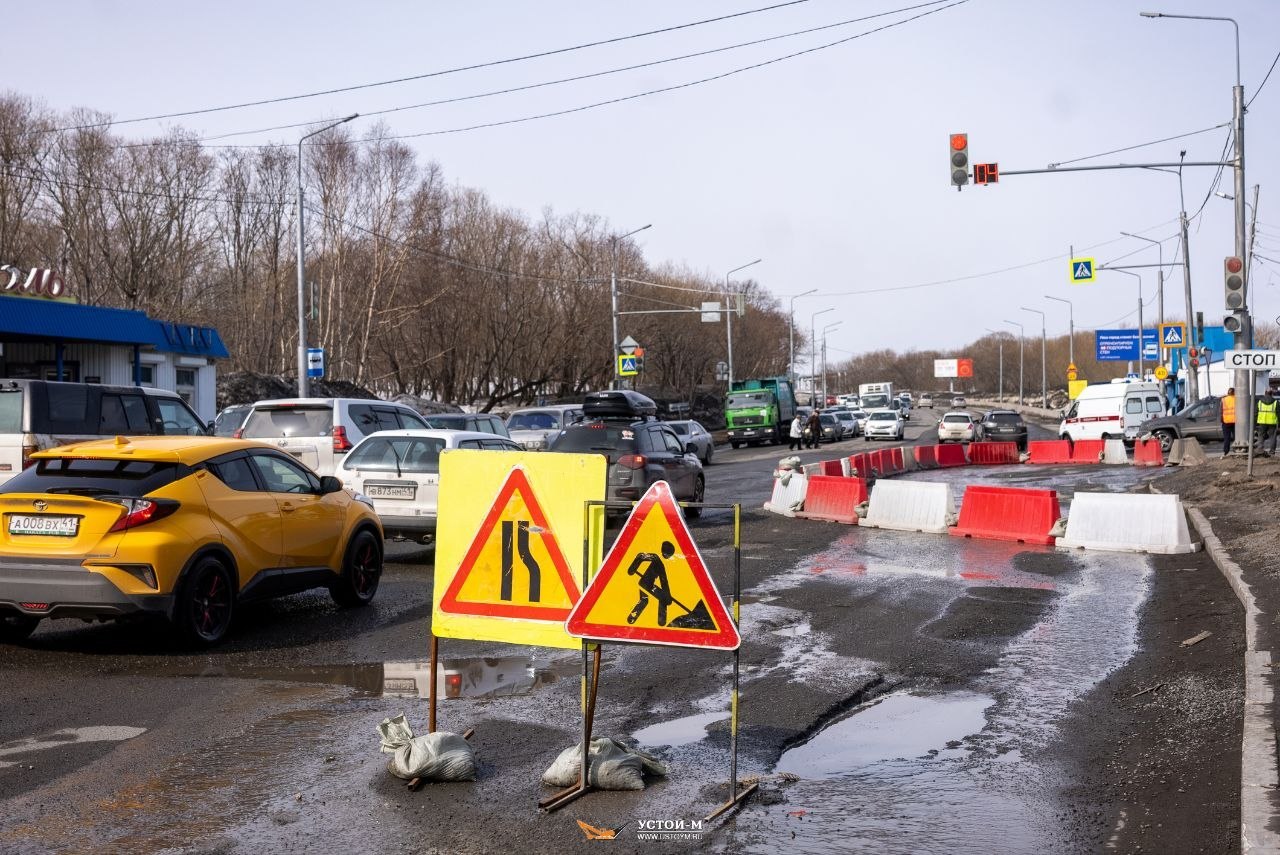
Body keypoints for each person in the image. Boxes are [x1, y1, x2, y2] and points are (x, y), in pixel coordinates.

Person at [1256, 390, 1278, 456]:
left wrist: (1255, 423)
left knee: (1261, 436)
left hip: (1262, 422)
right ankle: (1272, 452)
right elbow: (1279, 413)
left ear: (1265, 393)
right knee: (1273, 437)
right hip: (1272, 422)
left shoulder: (1260, 402)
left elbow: (1255, 413)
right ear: (1272, 394)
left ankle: (1260, 449)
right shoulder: (1276, 402)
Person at [1221, 387, 1236, 453]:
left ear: (1228, 393)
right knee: (1236, 437)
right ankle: (1237, 449)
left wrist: (1221, 420)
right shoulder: (1237, 399)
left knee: (1227, 438)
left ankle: (1226, 451)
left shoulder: (1223, 399)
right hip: (1235, 421)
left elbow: (1221, 411)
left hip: (1226, 421)